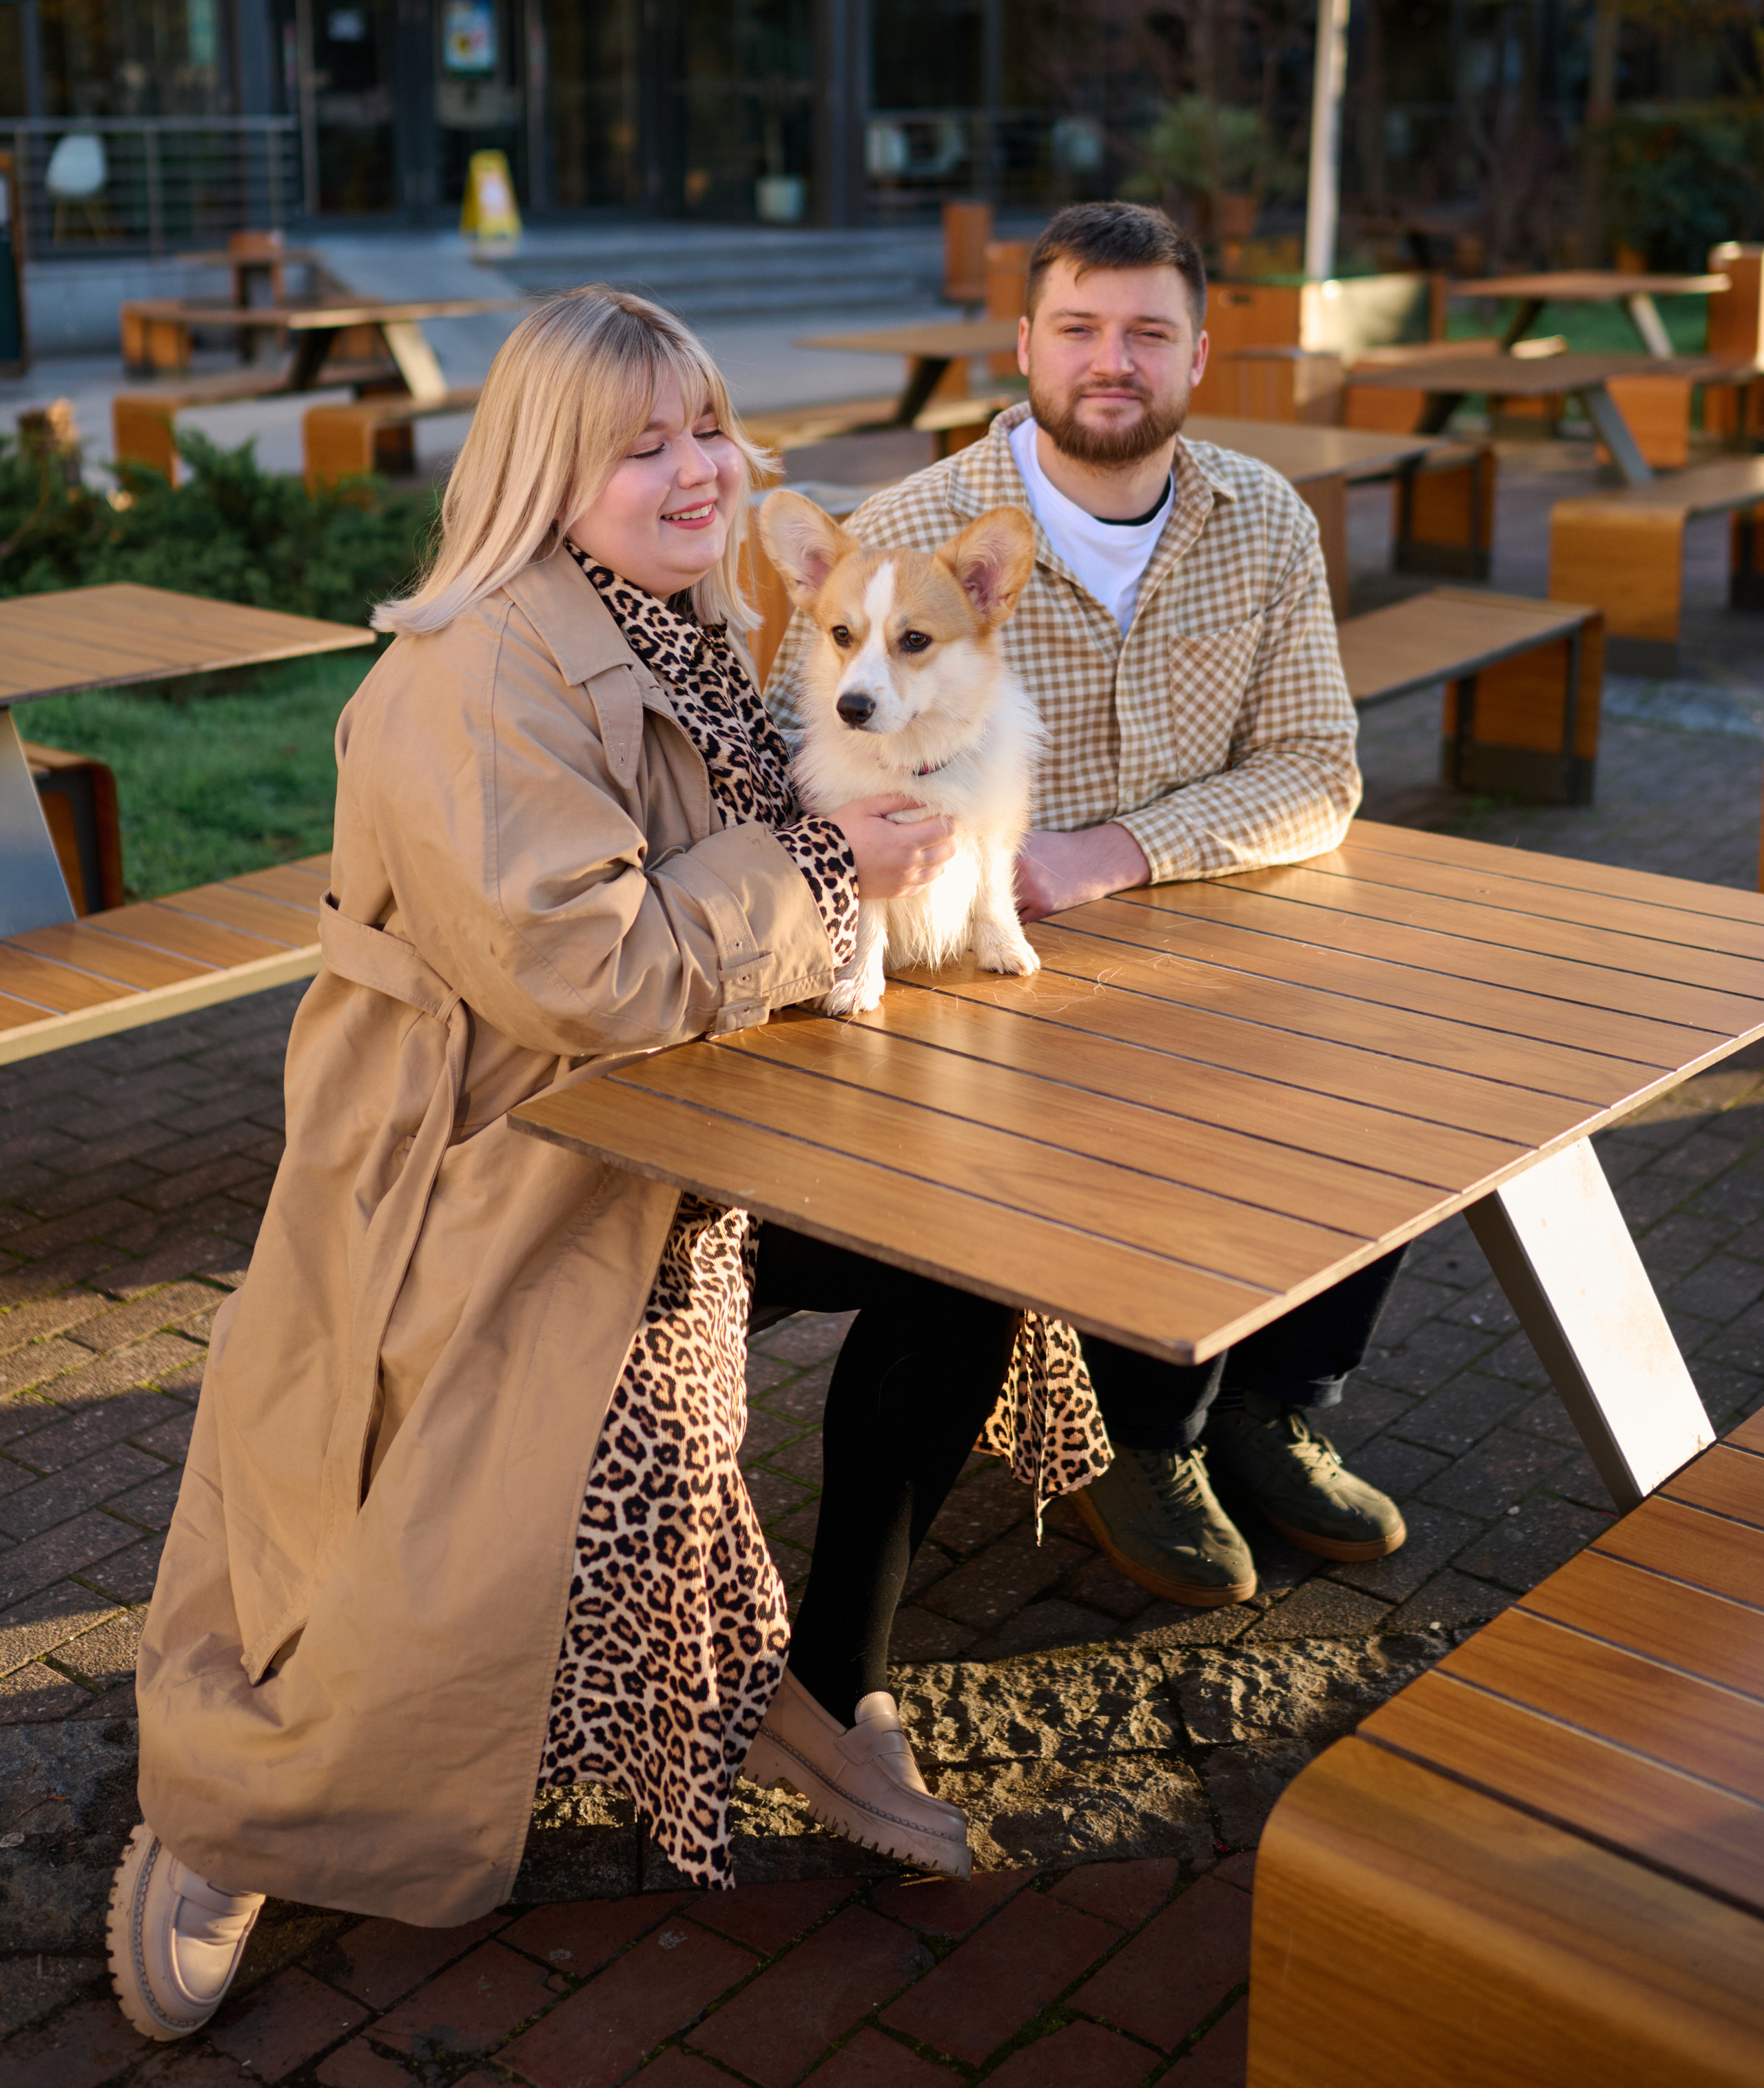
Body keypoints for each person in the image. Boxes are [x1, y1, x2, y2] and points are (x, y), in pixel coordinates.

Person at [114, 289, 1107, 2046]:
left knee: (968, 1252)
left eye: (706, 428)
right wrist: (827, 879)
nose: (693, 468)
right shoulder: (479, 667)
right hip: (494, 1164)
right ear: (543, 472)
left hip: (681, 1128)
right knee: (491, 1497)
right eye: (639, 445)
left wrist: (889, 872)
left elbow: (763, 858)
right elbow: (579, 970)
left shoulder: (676, 619)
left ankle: (819, 1681)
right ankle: (236, 1811)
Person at [769, 199, 1408, 1612]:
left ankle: (1274, 1400)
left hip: (1188, 918)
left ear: (1194, 353)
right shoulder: (910, 535)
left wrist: (1110, 848)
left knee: (1395, 1071)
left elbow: (1316, 764)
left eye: (1144, 331)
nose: (1108, 359)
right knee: (1111, 1113)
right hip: (976, 971)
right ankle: (1150, 1436)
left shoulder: (1263, 521)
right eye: (1076, 328)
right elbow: (798, 747)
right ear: (1024, 344)